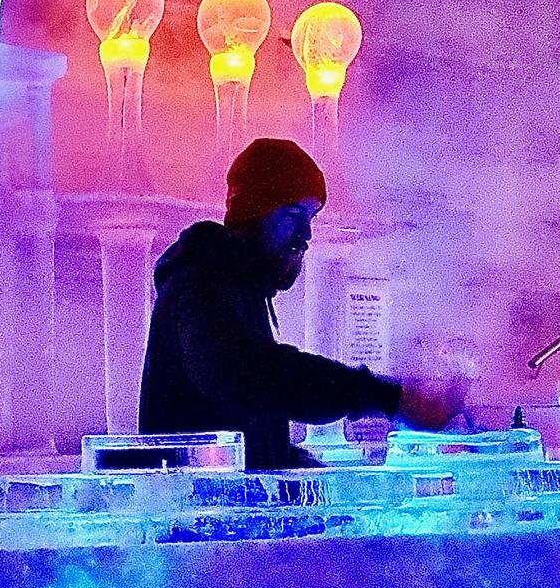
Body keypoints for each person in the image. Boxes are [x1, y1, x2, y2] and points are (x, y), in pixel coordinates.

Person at [138, 136, 462, 470]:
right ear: (253, 212)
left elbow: (243, 420)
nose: (306, 234)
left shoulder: (234, 286)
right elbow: (244, 375)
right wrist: (385, 396)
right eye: (293, 214)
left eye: (311, 217)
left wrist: (298, 466)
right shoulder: (201, 282)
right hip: (192, 503)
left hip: (212, 498)